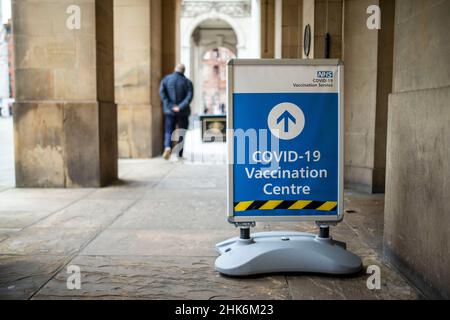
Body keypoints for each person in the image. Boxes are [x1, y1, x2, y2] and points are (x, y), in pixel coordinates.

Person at [159, 64, 194, 160]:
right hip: (183, 112)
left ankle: (167, 147)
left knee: (168, 131)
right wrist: (180, 107)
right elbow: (189, 97)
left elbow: (162, 94)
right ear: (184, 71)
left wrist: (170, 106)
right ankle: (179, 154)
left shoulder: (166, 79)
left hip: (169, 111)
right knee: (181, 132)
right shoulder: (188, 82)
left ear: (175, 69)